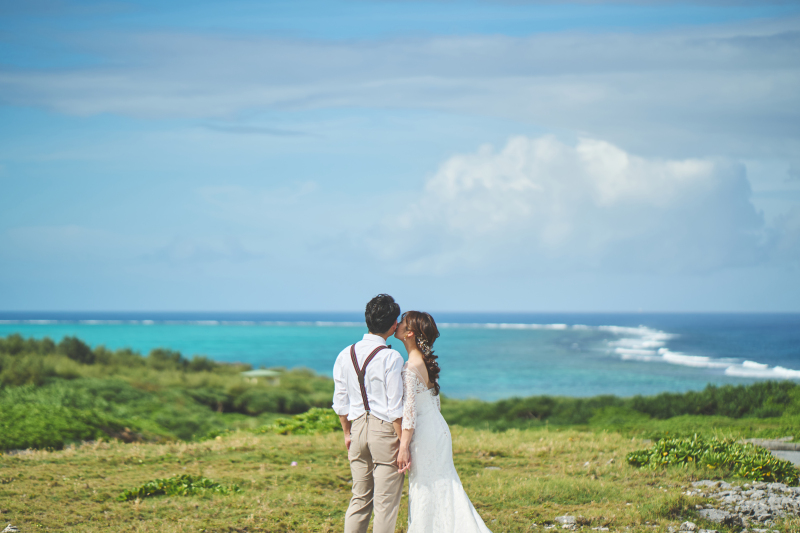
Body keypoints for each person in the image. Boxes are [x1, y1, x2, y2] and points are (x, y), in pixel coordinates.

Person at [395, 310, 493, 533]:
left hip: (424, 435)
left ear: (409, 333)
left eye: (402, 322)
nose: (397, 324)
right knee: (443, 486)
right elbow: (433, 404)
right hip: (437, 429)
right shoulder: (424, 363)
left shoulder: (410, 368)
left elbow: (409, 413)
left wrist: (403, 447)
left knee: (426, 489)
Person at [332, 294, 405, 533]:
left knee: (360, 499)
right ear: (394, 324)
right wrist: (404, 444)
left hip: (356, 428)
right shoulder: (391, 357)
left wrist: (346, 433)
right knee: (385, 504)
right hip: (384, 431)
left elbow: (340, 402)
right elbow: (395, 408)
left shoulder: (345, 353)